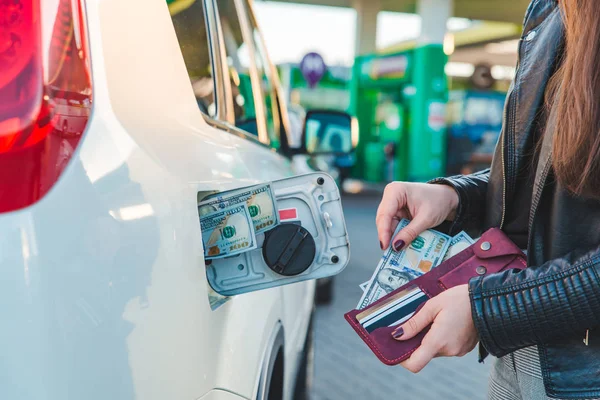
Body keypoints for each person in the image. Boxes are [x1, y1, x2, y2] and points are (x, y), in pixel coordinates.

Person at [375, 1, 600, 399]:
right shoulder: (549, 12)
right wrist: (453, 197)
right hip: (521, 355)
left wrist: (490, 310)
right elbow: (544, 187)